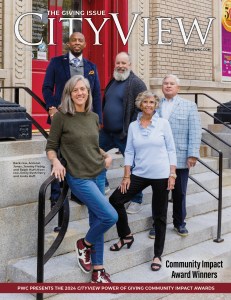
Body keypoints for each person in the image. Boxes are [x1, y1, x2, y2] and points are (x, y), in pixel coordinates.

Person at [45, 75, 118, 283]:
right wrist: (56, 163)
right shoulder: (61, 116)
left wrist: (106, 155)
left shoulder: (93, 116)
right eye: (75, 90)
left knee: (98, 219)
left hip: (98, 172)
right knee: (110, 216)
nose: (80, 93)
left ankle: (98, 271)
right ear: (69, 93)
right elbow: (51, 146)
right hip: (79, 177)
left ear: (88, 92)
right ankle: (83, 245)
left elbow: (92, 146)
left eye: (83, 89)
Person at [109, 91, 177, 271]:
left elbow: (171, 149)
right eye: (145, 102)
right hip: (139, 173)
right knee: (115, 200)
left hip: (161, 175)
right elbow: (129, 151)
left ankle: (157, 255)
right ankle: (126, 235)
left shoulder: (163, 124)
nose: (148, 105)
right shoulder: (133, 126)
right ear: (140, 104)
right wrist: (126, 175)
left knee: (159, 215)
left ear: (156, 105)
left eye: (152, 102)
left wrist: (172, 174)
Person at [42, 32, 102, 206]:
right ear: (68, 43)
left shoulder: (91, 66)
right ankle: (56, 197)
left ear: (84, 44)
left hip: (83, 119)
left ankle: (78, 193)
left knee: (81, 155)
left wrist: (98, 120)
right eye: (74, 40)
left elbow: (96, 94)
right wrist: (52, 107)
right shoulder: (56, 62)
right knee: (59, 155)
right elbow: (47, 88)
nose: (77, 43)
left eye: (80, 40)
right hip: (62, 118)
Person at [149, 74, 202, 239]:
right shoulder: (155, 105)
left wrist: (193, 154)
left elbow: (195, 130)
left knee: (179, 193)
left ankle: (179, 223)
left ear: (178, 88)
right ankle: (157, 224)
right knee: (159, 193)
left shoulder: (189, 106)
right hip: (159, 157)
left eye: (172, 84)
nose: (168, 86)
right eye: (165, 83)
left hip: (180, 157)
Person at [99, 51, 147, 214]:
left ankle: (136, 200)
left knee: (134, 166)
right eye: (118, 63)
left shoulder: (136, 83)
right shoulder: (113, 80)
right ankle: (103, 184)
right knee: (93, 153)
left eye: (123, 63)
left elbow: (142, 109)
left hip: (125, 134)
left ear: (129, 65)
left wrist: (131, 130)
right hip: (107, 132)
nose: (120, 66)